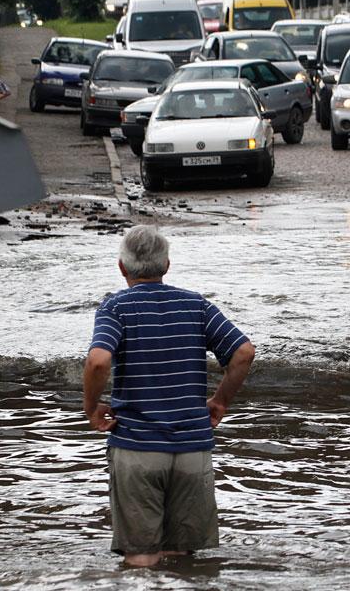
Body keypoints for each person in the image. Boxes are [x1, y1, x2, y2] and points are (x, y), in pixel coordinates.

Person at [83, 225, 255, 568]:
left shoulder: (115, 308)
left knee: (141, 557)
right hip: (192, 449)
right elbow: (244, 353)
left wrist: (91, 408)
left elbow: (98, 361)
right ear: (166, 265)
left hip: (137, 447)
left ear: (122, 267)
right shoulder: (196, 306)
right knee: (182, 560)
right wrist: (220, 401)